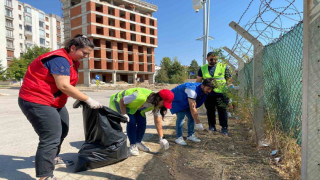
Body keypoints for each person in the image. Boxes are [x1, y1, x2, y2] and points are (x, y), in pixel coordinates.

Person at [18, 34, 102, 180]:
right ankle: (45, 176)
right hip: (36, 100)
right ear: (73, 47)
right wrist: (88, 99)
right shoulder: (59, 59)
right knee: (50, 137)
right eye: (84, 53)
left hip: (53, 101)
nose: (86, 56)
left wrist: (78, 97)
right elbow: (63, 85)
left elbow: (67, 85)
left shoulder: (71, 60)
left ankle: (53, 158)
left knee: (63, 129)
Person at [109, 88, 174, 156]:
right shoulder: (139, 97)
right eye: (163, 103)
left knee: (142, 122)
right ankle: (132, 146)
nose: (164, 105)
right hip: (119, 102)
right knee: (132, 122)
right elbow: (122, 100)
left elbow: (158, 121)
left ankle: (138, 142)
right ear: (158, 98)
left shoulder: (156, 104)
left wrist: (162, 138)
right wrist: (124, 114)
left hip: (135, 107)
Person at [196, 51, 232, 135]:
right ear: (207, 59)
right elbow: (198, 81)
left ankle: (224, 127)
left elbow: (229, 79)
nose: (213, 60)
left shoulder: (223, 67)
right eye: (211, 59)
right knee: (210, 110)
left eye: (215, 59)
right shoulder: (202, 68)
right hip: (208, 94)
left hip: (221, 93)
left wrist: (228, 89)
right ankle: (212, 126)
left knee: (222, 110)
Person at [170, 78, 215, 146]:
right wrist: (198, 123)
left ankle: (190, 135)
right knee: (181, 117)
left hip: (186, 99)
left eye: (211, 89)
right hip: (177, 99)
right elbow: (193, 107)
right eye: (208, 89)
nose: (209, 91)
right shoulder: (192, 90)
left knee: (191, 117)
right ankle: (179, 137)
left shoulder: (203, 88)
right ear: (202, 86)